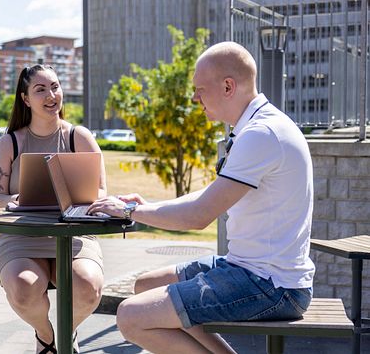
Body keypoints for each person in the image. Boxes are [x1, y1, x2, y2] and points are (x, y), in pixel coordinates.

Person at [88, 42, 315, 353]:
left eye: (200, 89)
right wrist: (144, 207)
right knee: (145, 286)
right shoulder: (258, 127)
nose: (195, 98)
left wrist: (128, 211)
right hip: (250, 270)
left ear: (227, 86)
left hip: (271, 286)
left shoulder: (262, 135)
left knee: (130, 316)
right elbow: (209, 195)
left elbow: (198, 217)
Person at [0, 64, 107, 354]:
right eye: (40, 89)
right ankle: (47, 337)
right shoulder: (10, 143)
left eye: (54, 86)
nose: (51, 95)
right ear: (26, 99)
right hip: (22, 237)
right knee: (23, 287)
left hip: (74, 235)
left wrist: (79, 200)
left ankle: (69, 332)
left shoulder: (79, 136)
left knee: (88, 287)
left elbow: (101, 192)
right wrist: (11, 201)